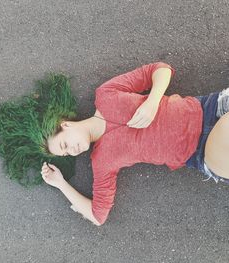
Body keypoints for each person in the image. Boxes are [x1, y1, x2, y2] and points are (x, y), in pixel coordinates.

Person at [41, 62, 229, 226]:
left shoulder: (106, 95)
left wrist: (152, 102)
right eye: (66, 154)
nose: (72, 151)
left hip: (210, 107)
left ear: (65, 125)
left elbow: (161, 69)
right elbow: (98, 216)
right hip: (203, 151)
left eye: (65, 145)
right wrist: (60, 184)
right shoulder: (102, 161)